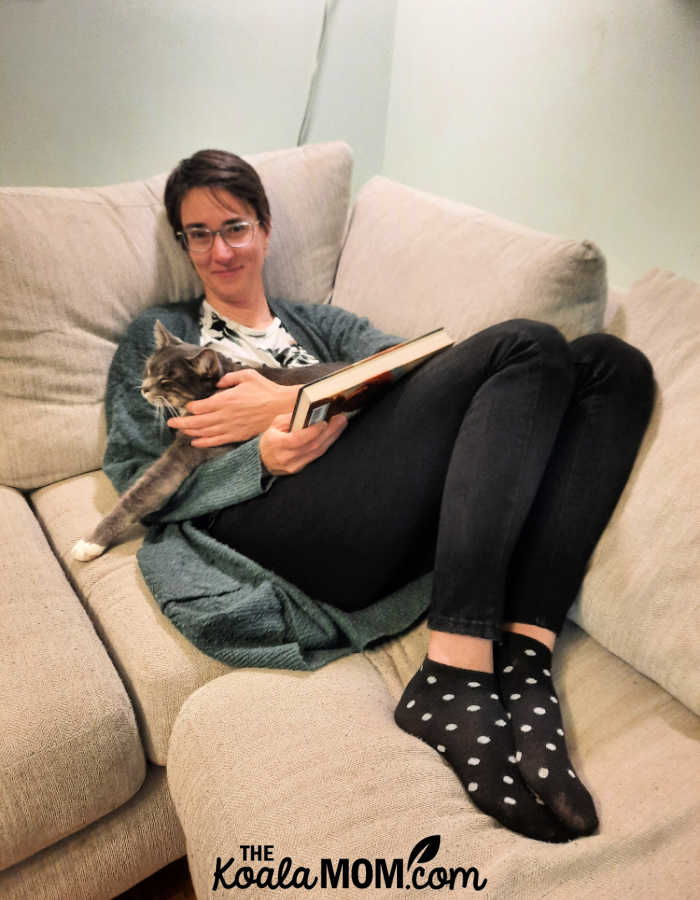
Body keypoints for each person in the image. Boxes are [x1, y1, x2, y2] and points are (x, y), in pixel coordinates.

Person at [103, 149, 654, 844]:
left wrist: (286, 396)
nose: (219, 249)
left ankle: (522, 652)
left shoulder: (318, 323)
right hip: (263, 527)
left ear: (266, 229)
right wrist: (259, 456)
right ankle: (453, 676)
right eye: (198, 233)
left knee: (612, 366)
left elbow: (420, 365)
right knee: (524, 344)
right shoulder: (159, 339)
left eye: (234, 226)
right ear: (183, 245)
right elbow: (131, 469)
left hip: (375, 507)